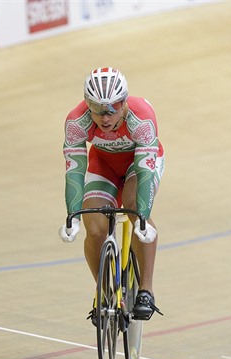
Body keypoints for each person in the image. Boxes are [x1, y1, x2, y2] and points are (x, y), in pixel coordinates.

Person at [59, 67, 164, 322]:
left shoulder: (142, 117)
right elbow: (74, 171)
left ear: (124, 103)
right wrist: (72, 215)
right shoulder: (76, 121)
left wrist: (143, 215)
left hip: (137, 163)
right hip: (103, 163)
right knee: (94, 225)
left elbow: (145, 170)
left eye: (112, 109)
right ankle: (104, 291)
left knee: (132, 206)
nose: (104, 117)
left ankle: (146, 290)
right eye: (96, 108)